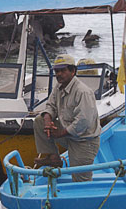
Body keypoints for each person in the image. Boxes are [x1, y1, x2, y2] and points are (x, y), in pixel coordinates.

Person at [33, 54, 101, 182]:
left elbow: (83, 122)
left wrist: (59, 133)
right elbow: (50, 106)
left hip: (84, 141)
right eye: (57, 71)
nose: (59, 74)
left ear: (73, 71)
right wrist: (48, 121)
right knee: (40, 120)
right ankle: (54, 157)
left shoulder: (83, 92)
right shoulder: (58, 88)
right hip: (67, 135)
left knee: (81, 180)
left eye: (63, 70)